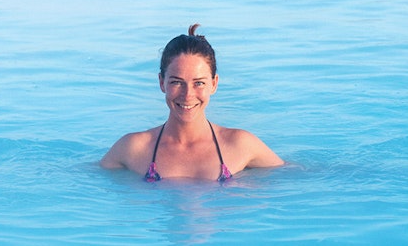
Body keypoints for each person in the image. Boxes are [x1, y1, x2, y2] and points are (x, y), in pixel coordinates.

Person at [100, 24, 283, 182]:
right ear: (161, 82)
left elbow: (293, 178)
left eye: (199, 83)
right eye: (177, 82)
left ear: (214, 84)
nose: (188, 95)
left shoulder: (240, 145)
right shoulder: (133, 149)